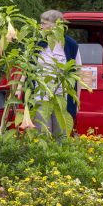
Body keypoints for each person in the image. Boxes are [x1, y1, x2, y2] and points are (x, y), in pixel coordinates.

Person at [35, 10, 80, 138]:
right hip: (41, 98)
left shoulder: (71, 45)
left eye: (44, 23)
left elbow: (77, 74)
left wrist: (77, 101)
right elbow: (28, 68)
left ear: (56, 24)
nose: (41, 26)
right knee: (43, 136)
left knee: (61, 137)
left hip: (62, 100)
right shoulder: (38, 43)